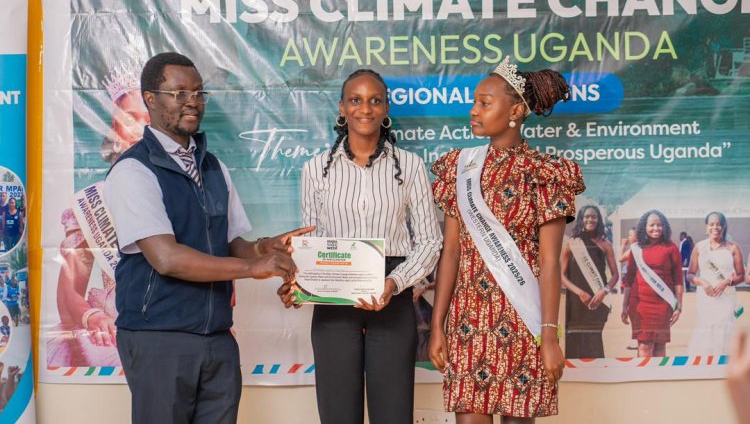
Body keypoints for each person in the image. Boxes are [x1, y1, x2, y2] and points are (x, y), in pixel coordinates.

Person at [104, 52, 313, 424]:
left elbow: (232, 243)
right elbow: (167, 258)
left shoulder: (213, 167)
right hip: (159, 337)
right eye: (180, 93)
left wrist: (265, 247)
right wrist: (253, 267)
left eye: (198, 93)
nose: (192, 102)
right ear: (151, 99)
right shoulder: (134, 170)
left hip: (217, 337)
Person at [277, 68, 442, 424]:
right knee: (337, 412)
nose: (365, 109)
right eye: (355, 100)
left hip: (392, 290)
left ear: (386, 109)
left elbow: (430, 242)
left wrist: (395, 282)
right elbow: (310, 242)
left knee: (393, 413)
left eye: (374, 101)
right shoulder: (315, 169)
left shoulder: (410, 166)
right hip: (333, 295)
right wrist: (299, 284)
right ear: (342, 108)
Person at [428, 57, 585, 423]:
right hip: (467, 322)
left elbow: (549, 262)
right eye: (474, 102)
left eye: (485, 103)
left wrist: (549, 336)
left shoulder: (545, 173)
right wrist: (437, 326)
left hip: (522, 319)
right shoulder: (459, 167)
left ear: (515, 111)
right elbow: (451, 252)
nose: (474, 110)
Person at [51, 61, 150, 367]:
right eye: (131, 119)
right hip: (118, 330)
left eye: (150, 119)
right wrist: (92, 316)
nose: (142, 130)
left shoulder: (191, 188)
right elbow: (68, 293)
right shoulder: (92, 202)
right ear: (114, 129)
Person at [620, 210, 683, 357]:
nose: (656, 228)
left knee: (660, 346)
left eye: (659, 225)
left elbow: (678, 279)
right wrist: (624, 306)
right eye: (652, 225)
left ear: (664, 227)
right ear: (644, 227)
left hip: (663, 304)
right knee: (644, 346)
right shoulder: (636, 248)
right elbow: (629, 279)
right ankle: (643, 373)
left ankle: (658, 373)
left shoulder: (671, 248)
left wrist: (679, 306)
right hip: (640, 304)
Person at [560, 205, 618, 359]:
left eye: (594, 216)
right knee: (574, 343)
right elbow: (561, 275)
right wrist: (579, 292)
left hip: (597, 301)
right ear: (581, 219)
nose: (590, 219)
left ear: (598, 220)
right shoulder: (572, 243)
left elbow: (615, 275)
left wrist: (604, 291)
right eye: (587, 216)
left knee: (594, 343)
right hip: (575, 302)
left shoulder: (605, 245)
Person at [687, 212, 744, 355]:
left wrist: (727, 282)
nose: (715, 227)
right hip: (706, 297)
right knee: (706, 328)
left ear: (724, 227)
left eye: (719, 224)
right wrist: (702, 282)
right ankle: (705, 363)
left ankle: (723, 363)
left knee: (724, 328)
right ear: (706, 227)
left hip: (726, 297)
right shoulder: (699, 247)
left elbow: (741, 275)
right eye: (711, 224)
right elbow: (690, 274)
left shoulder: (733, 248)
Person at [619, 228, 637, 293]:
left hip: (631, 280)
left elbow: (620, 259)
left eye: (630, 235)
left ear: (636, 237)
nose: (628, 237)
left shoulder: (635, 248)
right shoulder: (641, 246)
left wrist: (623, 245)